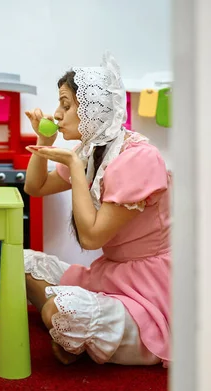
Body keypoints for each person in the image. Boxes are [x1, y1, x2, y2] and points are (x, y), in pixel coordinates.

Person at [23, 53, 170, 367]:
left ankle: (78, 330)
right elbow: (35, 188)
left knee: (62, 312)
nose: (57, 114)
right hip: (111, 273)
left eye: (66, 104)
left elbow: (90, 238)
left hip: (151, 288)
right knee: (20, 263)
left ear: (93, 110)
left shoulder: (138, 157)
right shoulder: (89, 150)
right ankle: (77, 333)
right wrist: (44, 140)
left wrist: (75, 167)